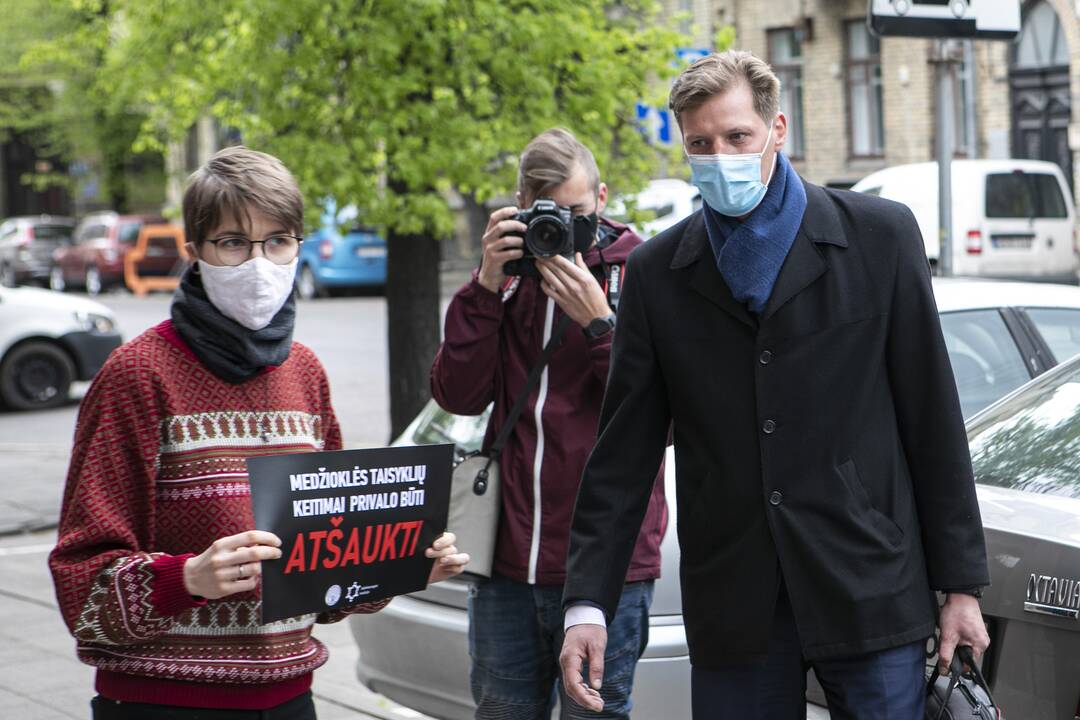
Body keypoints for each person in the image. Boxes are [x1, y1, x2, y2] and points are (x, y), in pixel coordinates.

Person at [559, 51, 991, 719]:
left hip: (869, 582)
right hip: (735, 603)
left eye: (738, 137)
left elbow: (932, 419)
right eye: (700, 144)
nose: (720, 156)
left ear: (777, 129)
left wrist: (961, 586)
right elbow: (622, 457)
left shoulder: (879, 237)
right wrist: (587, 603)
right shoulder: (656, 274)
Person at [49, 146, 469, 720]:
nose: (259, 263)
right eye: (233, 242)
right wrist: (188, 577)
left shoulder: (304, 372)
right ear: (194, 251)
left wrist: (398, 562)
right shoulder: (137, 375)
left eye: (278, 241)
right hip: (164, 702)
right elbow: (80, 588)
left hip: (290, 697)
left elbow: (324, 582)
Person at [430, 128, 667, 719]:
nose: (561, 231)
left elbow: (661, 421)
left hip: (608, 566)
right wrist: (485, 283)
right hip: (507, 565)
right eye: (549, 215)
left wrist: (599, 325)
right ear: (520, 209)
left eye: (578, 214)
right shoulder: (508, 277)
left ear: (604, 199)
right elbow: (456, 395)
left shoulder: (641, 272)